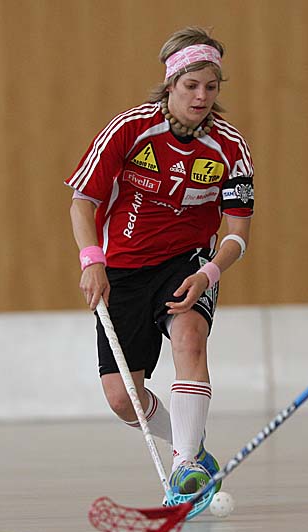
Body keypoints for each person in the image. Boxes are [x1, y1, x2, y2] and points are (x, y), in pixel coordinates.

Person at [65, 26, 254, 497]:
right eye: (191, 85)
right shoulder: (130, 130)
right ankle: (191, 445)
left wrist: (208, 273)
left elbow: (237, 234)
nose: (201, 96)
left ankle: (184, 468)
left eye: (211, 86)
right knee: (122, 399)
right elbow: (83, 201)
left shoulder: (230, 148)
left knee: (190, 336)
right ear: (171, 84)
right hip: (123, 269)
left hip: (187, 263)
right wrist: (92, 261)